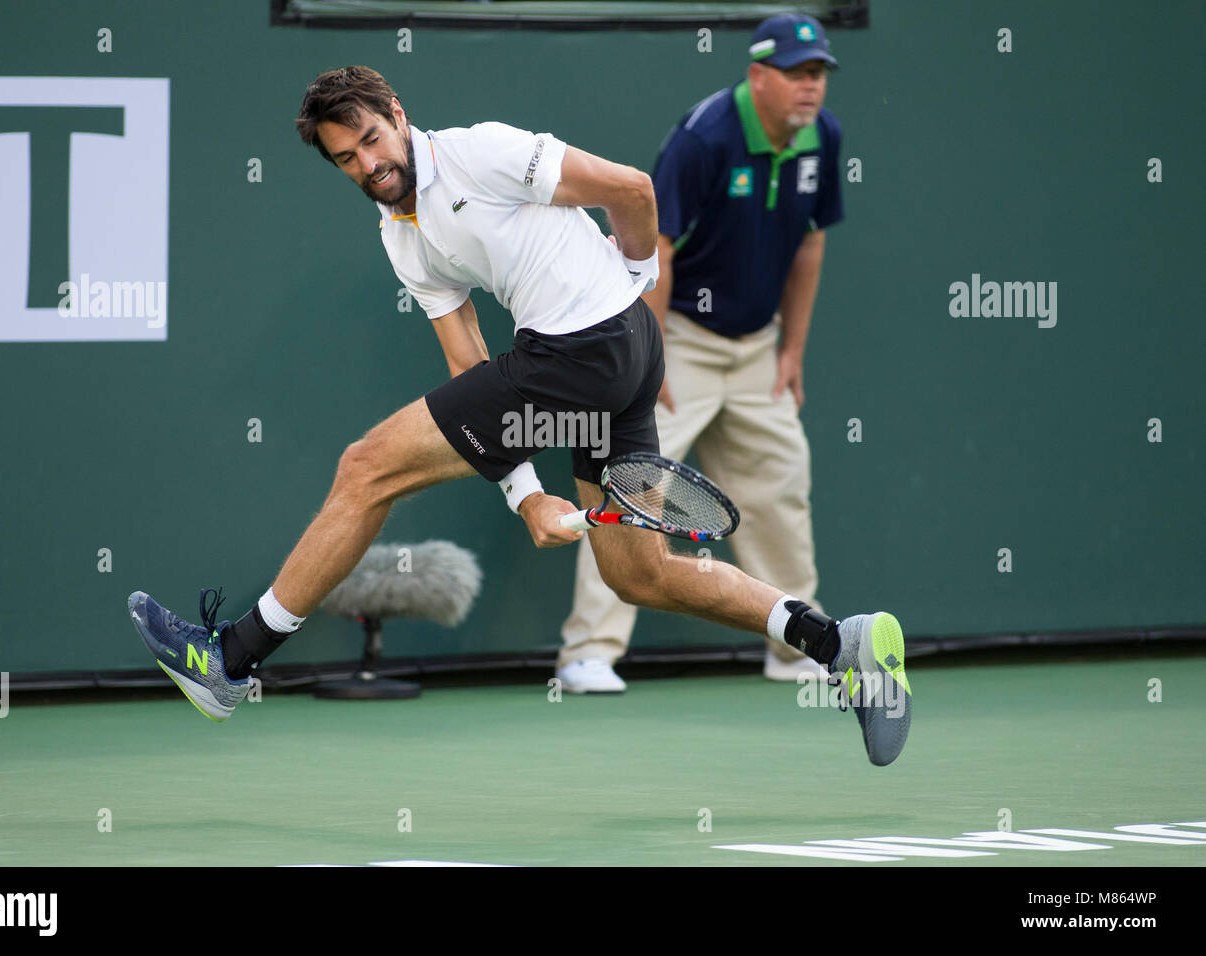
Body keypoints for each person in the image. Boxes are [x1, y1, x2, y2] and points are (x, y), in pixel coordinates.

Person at [126, 65, 912, 766]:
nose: (369, 164)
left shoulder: (481, 152)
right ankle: (834, 641)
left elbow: (633, 189)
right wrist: (526, 495)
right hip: (605, 362)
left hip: (593, 345)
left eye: (371, 139)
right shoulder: (400, 237)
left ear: (397, 114)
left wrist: (636, 274)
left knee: (366, 469)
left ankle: (232, 659)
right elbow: (470, 374)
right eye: (347, 159)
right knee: (637, 574)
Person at [557, 13, 843, 694]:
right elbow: (658, 249)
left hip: (758, 348)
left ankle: (797, 642)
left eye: (819, 75)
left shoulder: (821, 138)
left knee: (781, 488)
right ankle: (588, 651)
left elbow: (809, 242)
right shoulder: (704, 138)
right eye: (798, 75)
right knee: (632, 488)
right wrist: (647, 360)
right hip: (675, 336)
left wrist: (793, 347)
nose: (811, 89)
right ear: (758, 78)